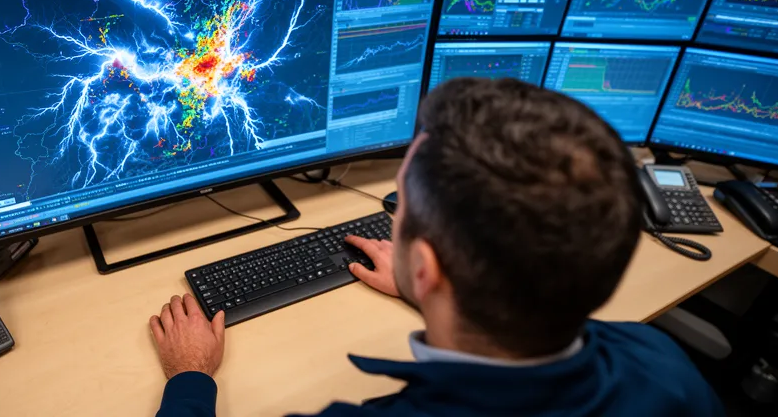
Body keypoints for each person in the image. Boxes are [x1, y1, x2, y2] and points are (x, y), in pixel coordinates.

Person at [147, 78, 723, 417]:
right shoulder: (665, 362)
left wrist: (191, 378)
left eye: (399, 208)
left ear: (424, 265)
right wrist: (445, 295)